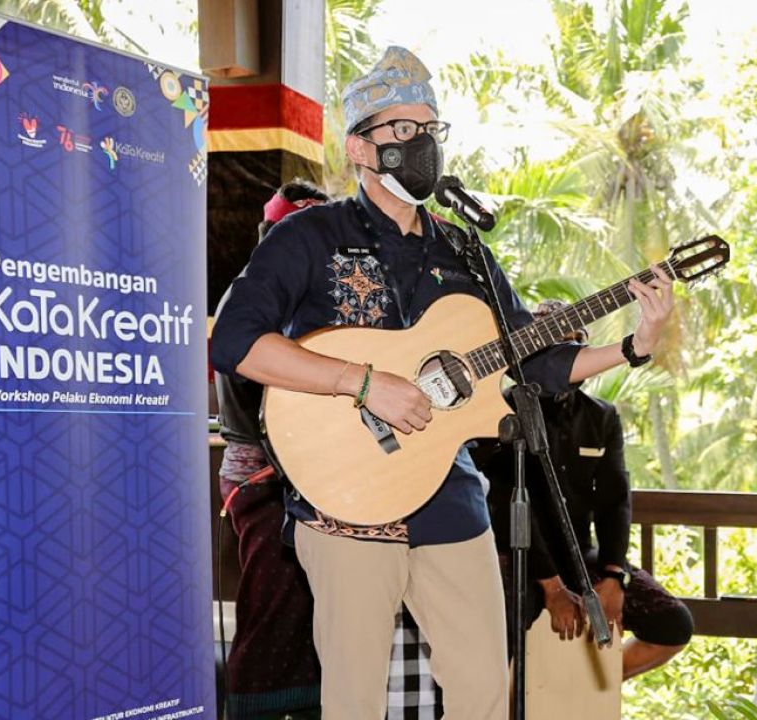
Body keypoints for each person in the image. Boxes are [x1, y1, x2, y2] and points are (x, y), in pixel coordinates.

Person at [209, 46, 676, 719]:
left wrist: (631, 347)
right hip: (344, 495)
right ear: (359, 148)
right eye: (402, 131)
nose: (420, 144)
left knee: (485, 686)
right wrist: (362, 382)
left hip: (449, 495)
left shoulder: (463, 250)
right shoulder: (311, 237)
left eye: (430, 130)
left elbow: (529, 361)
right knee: (354, 698)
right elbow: (234, 341)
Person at [483, 300, 693, 681]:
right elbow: (503, 501)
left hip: (579, 553)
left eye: (575, 342)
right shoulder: (500, 410)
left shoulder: (602, 416)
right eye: (554, 343)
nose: (566, 352)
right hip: (516, 554)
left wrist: (614, 576)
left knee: (672, 623)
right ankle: (500, 704)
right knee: (505, 620)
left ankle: (576, 691)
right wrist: (551, 587)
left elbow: (615, 499)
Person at [215, 179, 327, 720]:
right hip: (262, 476)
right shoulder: (252, 295)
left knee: (312, 612)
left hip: (311, 475)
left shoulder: (310, 297)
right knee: (272, 611)